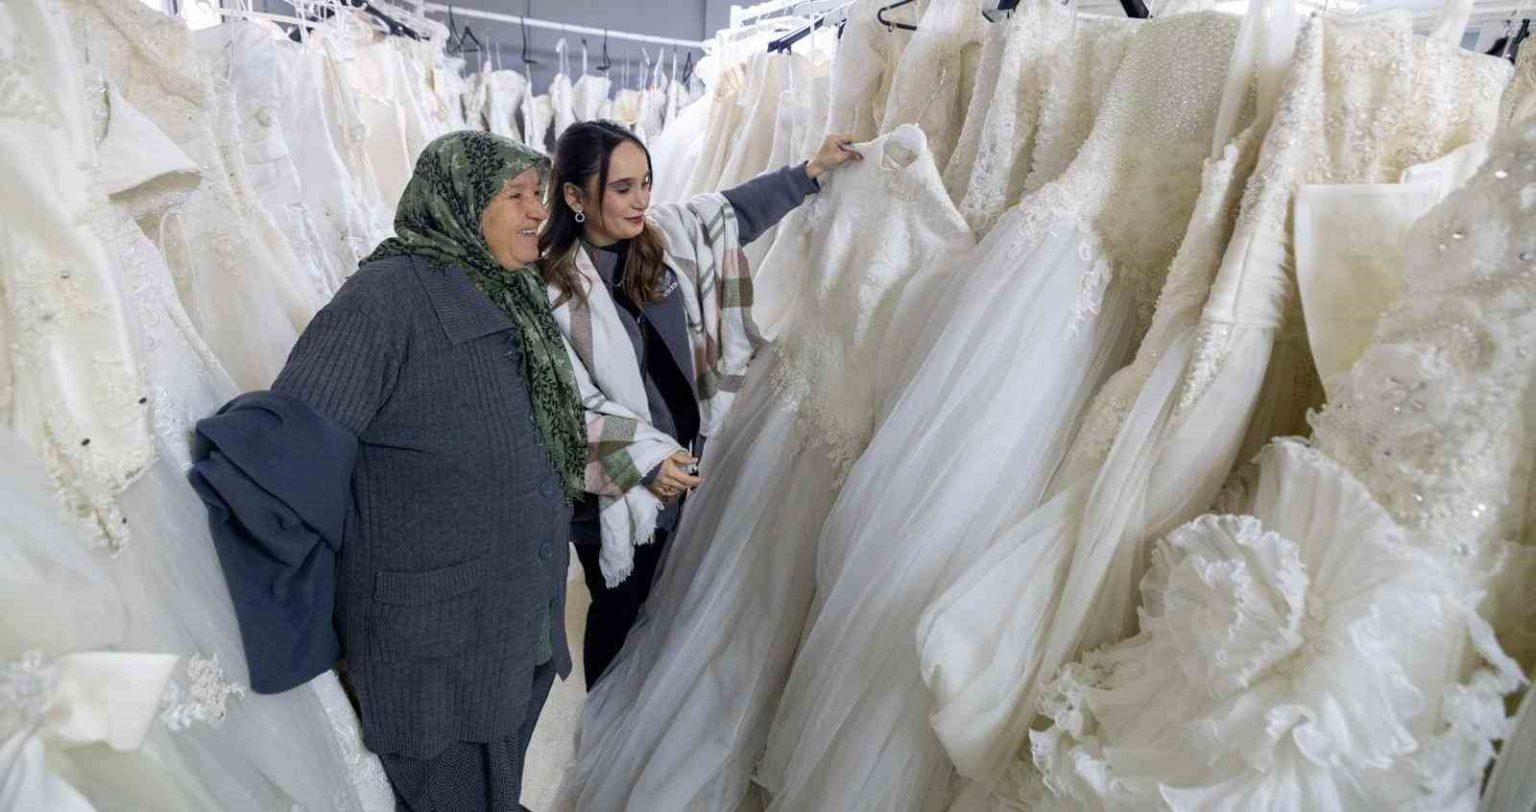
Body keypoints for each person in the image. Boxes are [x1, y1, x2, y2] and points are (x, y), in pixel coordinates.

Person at [189, 131, 585, 811]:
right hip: (436, 643)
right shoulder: (385, 300)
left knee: (497, 782)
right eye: (516, 195)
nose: (537, 211)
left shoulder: (510, 288)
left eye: (539, 193)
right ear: (459, 201)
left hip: (515, 618)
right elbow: (292, 451)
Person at [539, 119, 860, 686]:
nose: (641, 200)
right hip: (614, 488)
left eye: (645, 182)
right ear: (574, 196)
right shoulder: (552, 290)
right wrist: (643, 460)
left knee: (668, 609)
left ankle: (643, 718)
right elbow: (562, 402)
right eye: (623, 188)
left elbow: (731, 213)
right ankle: (603, 724)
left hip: (687, 463)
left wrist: (810, 172)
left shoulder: (665, 238)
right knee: (619, 609)